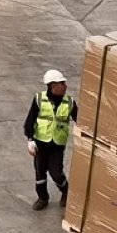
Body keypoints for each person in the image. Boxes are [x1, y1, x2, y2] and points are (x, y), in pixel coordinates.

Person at [23, 68, 76, 210]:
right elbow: (30, 120)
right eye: (62, 83)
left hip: (57, 145)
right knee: (40, 172)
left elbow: (80, 120)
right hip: (41, 143)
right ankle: (42, 198)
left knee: (56, 173)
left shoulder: (69, 102)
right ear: (53, 86)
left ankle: (66, 192)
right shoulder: (39, 99)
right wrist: (30, 139)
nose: (65, 86)